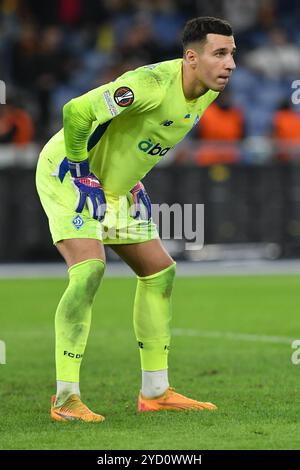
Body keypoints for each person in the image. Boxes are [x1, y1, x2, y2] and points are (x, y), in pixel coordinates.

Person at [36, 16, 236, 422]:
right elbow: (76, 112)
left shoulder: (207, 93)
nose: (230, 63)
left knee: (160, 272)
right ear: (191, 58)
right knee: (90, 270)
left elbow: (141, 140)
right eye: (220, 53)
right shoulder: (148, 85)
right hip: (68, 172)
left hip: (114, 186)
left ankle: (156, 391)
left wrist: (134, 180)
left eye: (232, 53)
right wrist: (81, 169)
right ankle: (65, 399)